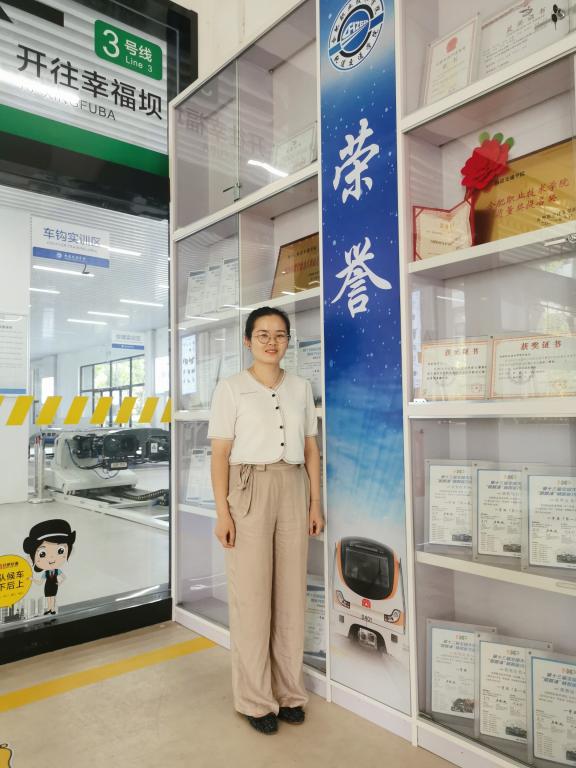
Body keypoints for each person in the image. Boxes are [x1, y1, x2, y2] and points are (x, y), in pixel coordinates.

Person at [208, 306, 324, 735]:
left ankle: (290, 692)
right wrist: (223, 512)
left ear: (288, 340)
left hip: (293, 486)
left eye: (280, 334)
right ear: (248, 340)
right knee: (252, 598)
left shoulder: (300, 387)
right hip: (249, 488)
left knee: (291, 596)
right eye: (263, 334)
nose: (272, 342)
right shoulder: (231, 388)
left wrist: (315, 503)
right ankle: (255, 700)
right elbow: (220, 454)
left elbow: (310, 449)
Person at [23, 519, 76, 616]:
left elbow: (64, 577)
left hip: (54, 585)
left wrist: (59, 583)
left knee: (53, 597)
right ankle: (49, 609)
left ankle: (52, 609)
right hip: (47, 586)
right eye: (42, 554)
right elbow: (40, 583)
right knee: (48, 597)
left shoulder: (57, 571)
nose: (51, 558)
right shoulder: (45, 573)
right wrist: (32, 579)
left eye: (60, 551)